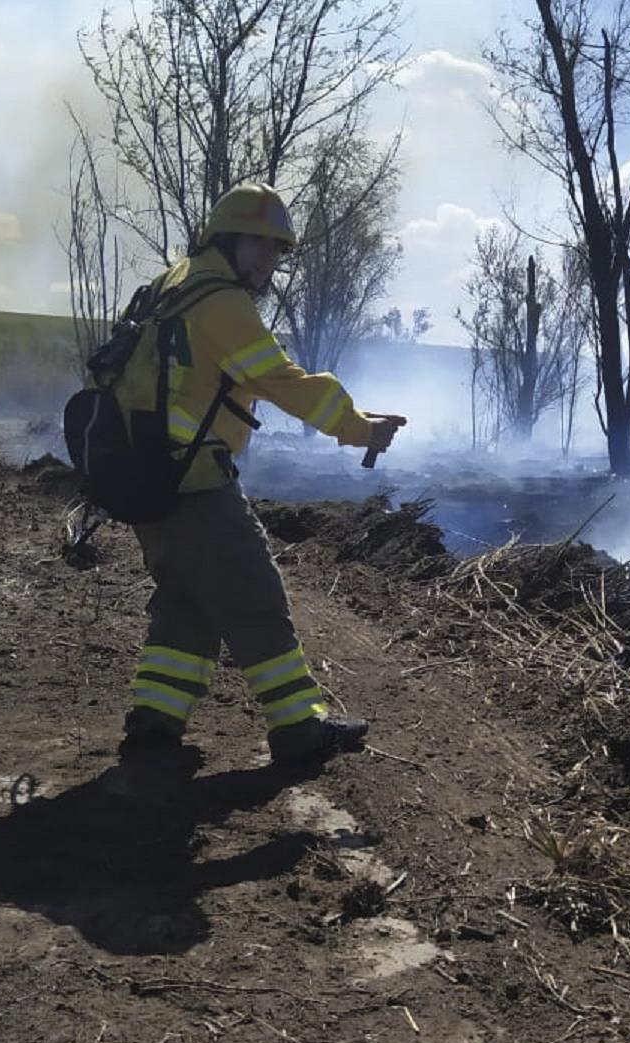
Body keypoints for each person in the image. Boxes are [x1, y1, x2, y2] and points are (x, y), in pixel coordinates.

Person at [120, 182, 403, 769]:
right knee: (256, 597)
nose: (273, 261)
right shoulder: (222, 301)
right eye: (264, 245)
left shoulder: (172, 284)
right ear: (229, 238)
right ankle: (299, 728)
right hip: (194, 479)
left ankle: (154, 724)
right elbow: (280, 381)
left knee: (186, 602)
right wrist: (360, 430)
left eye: (279, 250)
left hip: (145, 476)